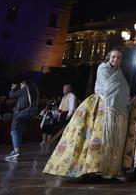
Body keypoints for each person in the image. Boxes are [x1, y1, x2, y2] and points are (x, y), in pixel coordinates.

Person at [44, 49, 130, 179]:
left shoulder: (119, 72)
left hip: (114, 108)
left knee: (107, 137)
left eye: (118, 58)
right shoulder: (102, 68)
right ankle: (89, 167)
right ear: (109, 57)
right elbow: (109, 87)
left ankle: (106, 167)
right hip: (101, 104)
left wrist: (121, 91)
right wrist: (119, 89)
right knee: (91, 134)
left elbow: (123, 88)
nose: (115, 60)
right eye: (113, 57)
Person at [6, 80, 38, 161]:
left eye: (21, 84)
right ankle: (15, 153)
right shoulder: (33, 91)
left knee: (13, 130)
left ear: (25, 84)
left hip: (22, 114)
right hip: (29, 114)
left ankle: (16, 151)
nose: (20, 86)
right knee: (19, 132)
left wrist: (12, 88)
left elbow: (11, 95)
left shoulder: (25, 89)